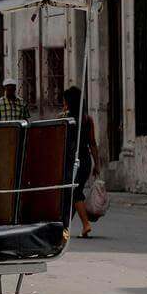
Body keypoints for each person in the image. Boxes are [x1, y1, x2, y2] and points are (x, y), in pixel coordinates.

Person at [62, 87, 101, 238]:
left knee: (74, 192)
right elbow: (92, 143)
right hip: (85, 160)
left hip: (73, 161)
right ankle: (64, 228)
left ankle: (86, 224)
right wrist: (96, 164)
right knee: (72, 194)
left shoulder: (67, 120)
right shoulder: (87, 119)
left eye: (65, 101)